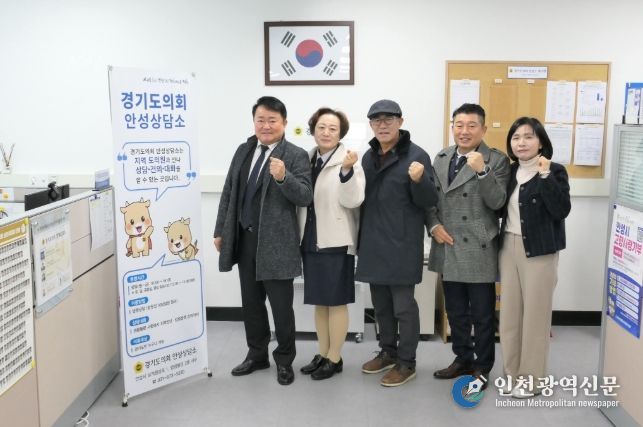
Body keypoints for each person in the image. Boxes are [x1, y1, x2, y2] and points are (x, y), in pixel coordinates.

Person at [213, 96, 312, 386]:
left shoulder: (295, 155)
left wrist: (283, 177)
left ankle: (284, 360)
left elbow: (305, 196)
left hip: (277, 244)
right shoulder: (244, 150)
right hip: (244, 240)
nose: (266, 125)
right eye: (261, 120)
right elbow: (229, 192)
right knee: (251, 304)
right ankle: (257, 355)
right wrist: (221, 230)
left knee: (281, 308)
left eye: (272, 120)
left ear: (284, 123)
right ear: (254, 121)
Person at [427, 103, 510, 389]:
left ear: (483, 129)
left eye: (471, 125)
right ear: (452, 127)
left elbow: (498, 202)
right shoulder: (441, 157)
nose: (464, 131)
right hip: (447, 242)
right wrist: (433, 225)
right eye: (459, 125)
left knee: (482, 315)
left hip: (478, 245)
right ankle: (462, 358)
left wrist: (483, 171)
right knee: (456, 311)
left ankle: (483, 366)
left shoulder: (496, 160)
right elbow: (430, 199)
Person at [357, 99, 438, 387]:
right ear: (371, 125)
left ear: (400, 122)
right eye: (376, 120)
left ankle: (407, 362)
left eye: (388, 119)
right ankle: (388, 352)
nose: (382, 125)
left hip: (402, 243)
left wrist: (419, 180)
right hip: (373, 242)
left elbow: (429, 200)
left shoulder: (417, 155)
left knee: (404, 307)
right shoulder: (368, 157)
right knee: (380, 306)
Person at [499, 117, 571, 398]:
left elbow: (561, 210)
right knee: (510, 316)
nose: (521, 143)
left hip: (540, 250)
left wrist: (544, 176)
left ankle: (532, 380)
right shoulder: (509, 171)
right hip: (508, 247)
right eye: (516, 137)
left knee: (535, 318)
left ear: (541, 142)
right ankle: (511, 374)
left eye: (528, 137)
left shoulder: (555, 171)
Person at [297, 107, 365, 380]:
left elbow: (353, 200)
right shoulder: (308, 158)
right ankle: (323, 353)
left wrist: (346, 171)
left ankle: (335, 357)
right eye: (321, 127)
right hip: (311, 238)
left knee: (335, 302)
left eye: (332, 129)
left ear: (341, 134)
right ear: (313, 129)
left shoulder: (349, 161)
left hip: (336, 240)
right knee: (319, 301)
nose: (326, 132)